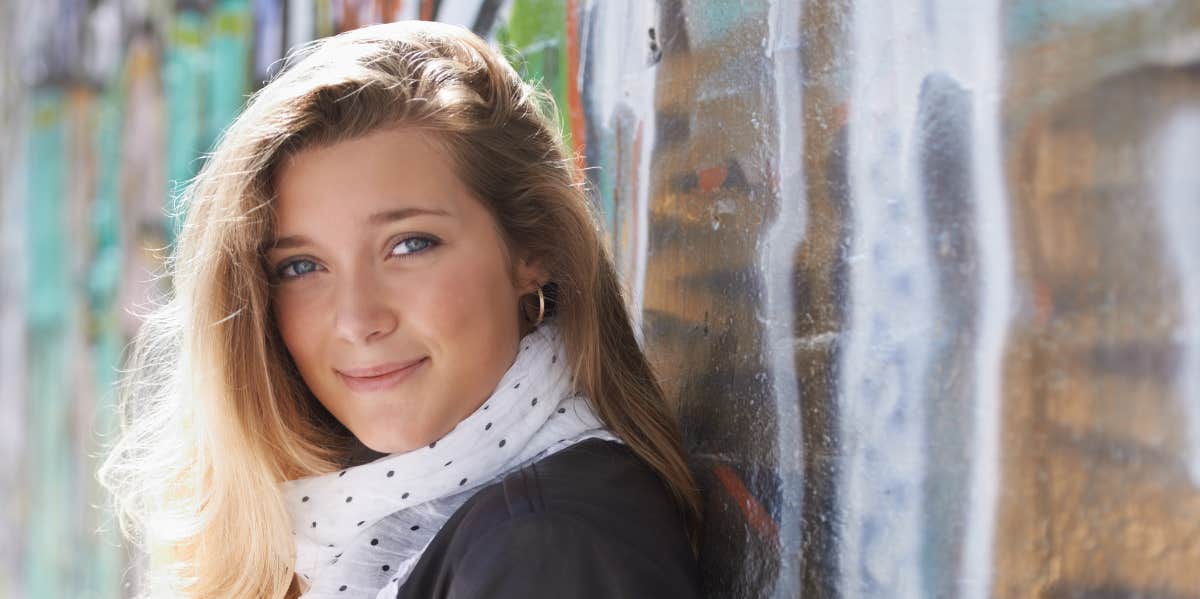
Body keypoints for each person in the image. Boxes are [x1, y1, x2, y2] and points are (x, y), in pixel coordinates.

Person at [99, 19, 701, 599]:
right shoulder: (357, 532)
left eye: (409, 245)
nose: (358, 321)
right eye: (301, 267)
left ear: (531, 251)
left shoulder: (546, 547)